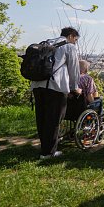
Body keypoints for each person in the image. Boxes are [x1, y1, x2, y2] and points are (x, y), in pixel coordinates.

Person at [32, 27, 81, 159]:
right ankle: (49, 152)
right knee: (53, 119)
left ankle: (44, 147)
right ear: (71, 36)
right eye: (75, 40)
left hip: (37, 84)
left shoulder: (46, 43)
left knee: (41, 117)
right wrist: (74, 87)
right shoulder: (69, 47)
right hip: (56, 86)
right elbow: (74, 69)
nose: (75, 43)